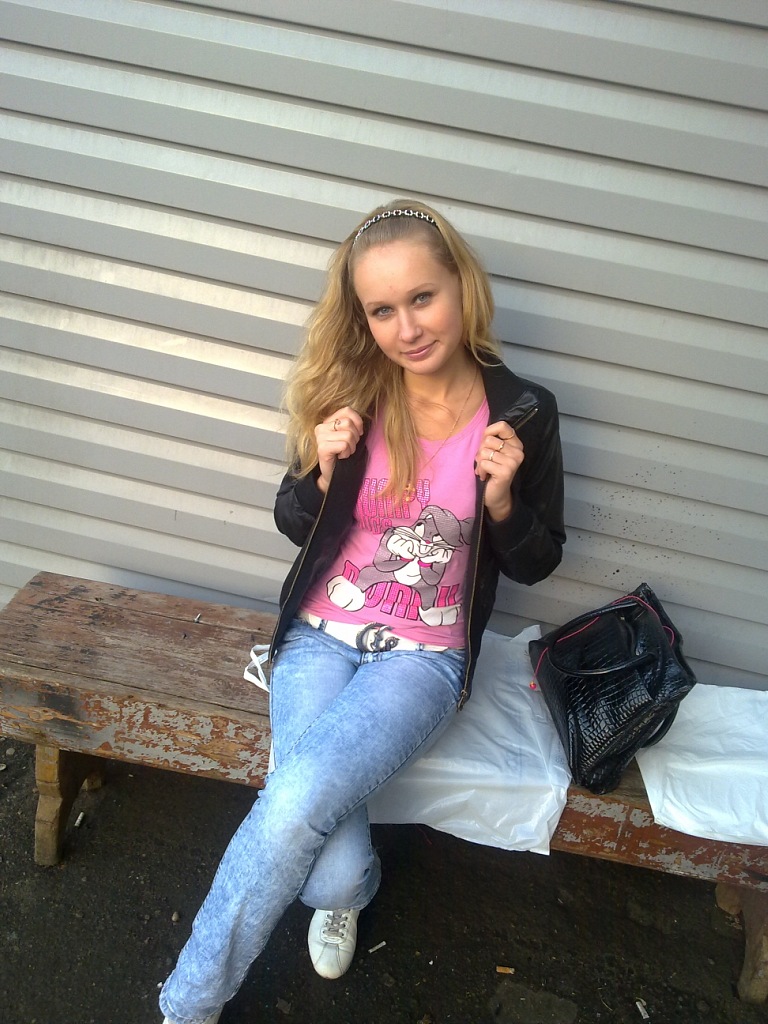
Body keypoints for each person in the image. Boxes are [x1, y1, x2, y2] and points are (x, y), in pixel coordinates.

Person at [159, 200, 565, 1024]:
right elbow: (292, 521)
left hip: (423, 656)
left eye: (423, 298)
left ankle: (186, 1005)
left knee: (295, 803)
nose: (406, 328)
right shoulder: (354, 392)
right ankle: (352, 889)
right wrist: (319, 468)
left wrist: (501, 500)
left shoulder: (523, 411)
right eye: (382, 310)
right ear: (362, 317)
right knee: (331, 871)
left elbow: (537, 559)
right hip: (317, 635)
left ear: (462, 285)